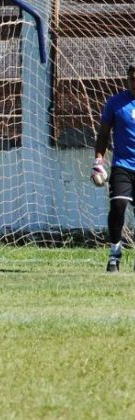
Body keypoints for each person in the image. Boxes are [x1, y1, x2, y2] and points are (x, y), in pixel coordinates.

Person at [93, 63, 135, 272]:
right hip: (123, 165)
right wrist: (98, 162)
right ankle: (114, 252)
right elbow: (103, 134)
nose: (134, 82)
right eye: (131, 78)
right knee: (118, 206)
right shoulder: (116, 103)